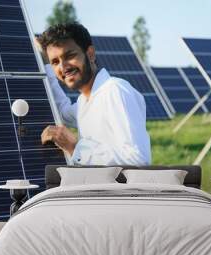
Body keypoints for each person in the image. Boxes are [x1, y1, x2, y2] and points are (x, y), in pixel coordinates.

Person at [38, 22, 151, 166]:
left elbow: (139, 159)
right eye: (55, 62)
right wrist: (44, 64)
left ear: (90, 54)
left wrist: (75, 148)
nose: (63, 67)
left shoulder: (114, 90)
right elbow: (62, 112)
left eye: (69, 56)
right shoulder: (84, 101)